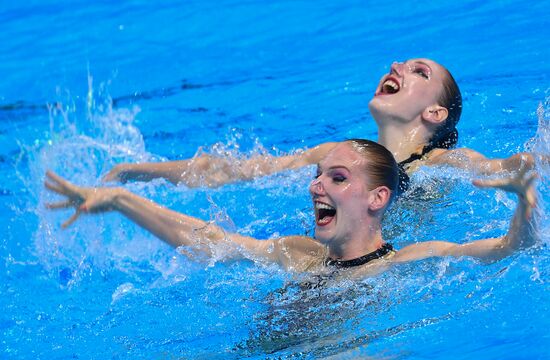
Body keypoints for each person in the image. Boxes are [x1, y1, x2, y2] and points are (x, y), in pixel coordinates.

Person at [44, 139, 538, 278]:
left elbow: (507, 249)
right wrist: (121, 199)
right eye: (318, 175)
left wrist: (525, 202)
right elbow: (210, 243)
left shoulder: (409, 261)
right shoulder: (297, 254)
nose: (316, 186)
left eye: (337, 178)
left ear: (377, 199)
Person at [102, 58, 537, 192]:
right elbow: (232, 169)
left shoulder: (445, 161)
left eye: (418, 71)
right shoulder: (337, 154)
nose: (398, 66)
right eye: (401, 62)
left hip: (380, 288)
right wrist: (135, 170)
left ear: (435, 114)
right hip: (318, 271)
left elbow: (512, 166)